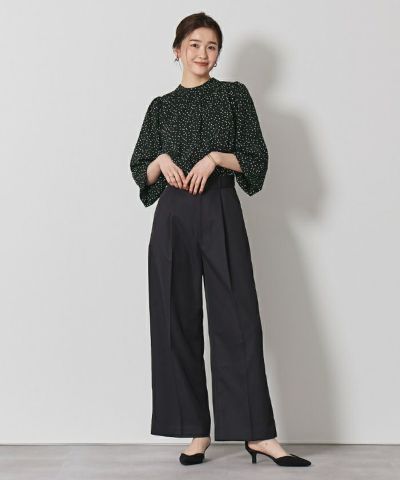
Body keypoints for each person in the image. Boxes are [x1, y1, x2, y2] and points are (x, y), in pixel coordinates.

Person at [130, 12, 311, 468]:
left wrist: (215, 157)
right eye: (194, 44)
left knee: (238, 319)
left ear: (218, 54)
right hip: (172, 216)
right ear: (177, 50)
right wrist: (160, 161)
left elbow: (256, 159)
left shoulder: (233, 96)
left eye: (211, 46)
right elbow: (139, 171)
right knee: (175, 320)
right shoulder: (160, 107)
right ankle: (197, 431)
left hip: (219, 208)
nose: (202, 53)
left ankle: (258, 434)